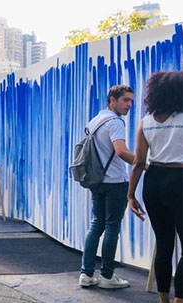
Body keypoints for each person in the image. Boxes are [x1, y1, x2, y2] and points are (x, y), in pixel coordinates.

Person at [127, 71, 183, 303]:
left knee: (163, 243)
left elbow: (138, 162)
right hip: (180, 181)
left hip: (154, 182)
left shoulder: (145, 122)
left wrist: (131, 194)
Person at [78, 86, 136, 289]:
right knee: (112, 226)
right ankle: (108, 276)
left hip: (97, 181)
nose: (129, 105)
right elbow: (121, 151)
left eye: (131, 101)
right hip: (115, 183)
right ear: (113, 100)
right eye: (125, 100)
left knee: (96, 225)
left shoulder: (95, 121)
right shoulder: (116, 122)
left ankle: (86, 273)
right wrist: (144, 163)